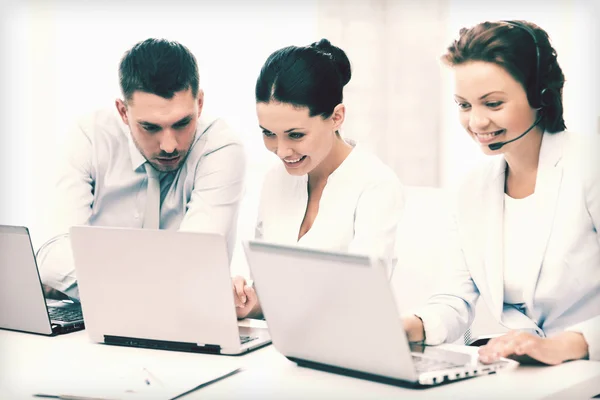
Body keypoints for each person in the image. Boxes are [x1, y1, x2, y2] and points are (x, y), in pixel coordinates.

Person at [402, 20, 600, 364]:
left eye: (492, 104)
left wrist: (569, 344)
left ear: (540, 95)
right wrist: (408, 326)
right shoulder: (472, 189)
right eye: (464, 105)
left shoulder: (589, 166)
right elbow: (455, 300)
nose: (476, 122)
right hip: (524, 370)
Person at [41, 38, 246, 299]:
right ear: (123, 112)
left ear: (200, 103)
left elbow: (196, 263)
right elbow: (52, 257)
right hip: (93, 322)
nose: (170, 146)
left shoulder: (220, 147)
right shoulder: (89, 137)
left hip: (185, 323)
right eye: (150, 127)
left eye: (183, 123)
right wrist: (171, 281)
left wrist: (89, 276)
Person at [233, 39, 405, 319]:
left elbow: (360, 300)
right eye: (268, 133)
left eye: (296, 135)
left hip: (347, 348)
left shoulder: (376, 185)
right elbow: (271, 296)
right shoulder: (275, 181)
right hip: (283, 347)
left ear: (336, 117)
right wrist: (250, 303)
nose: (281, 150)